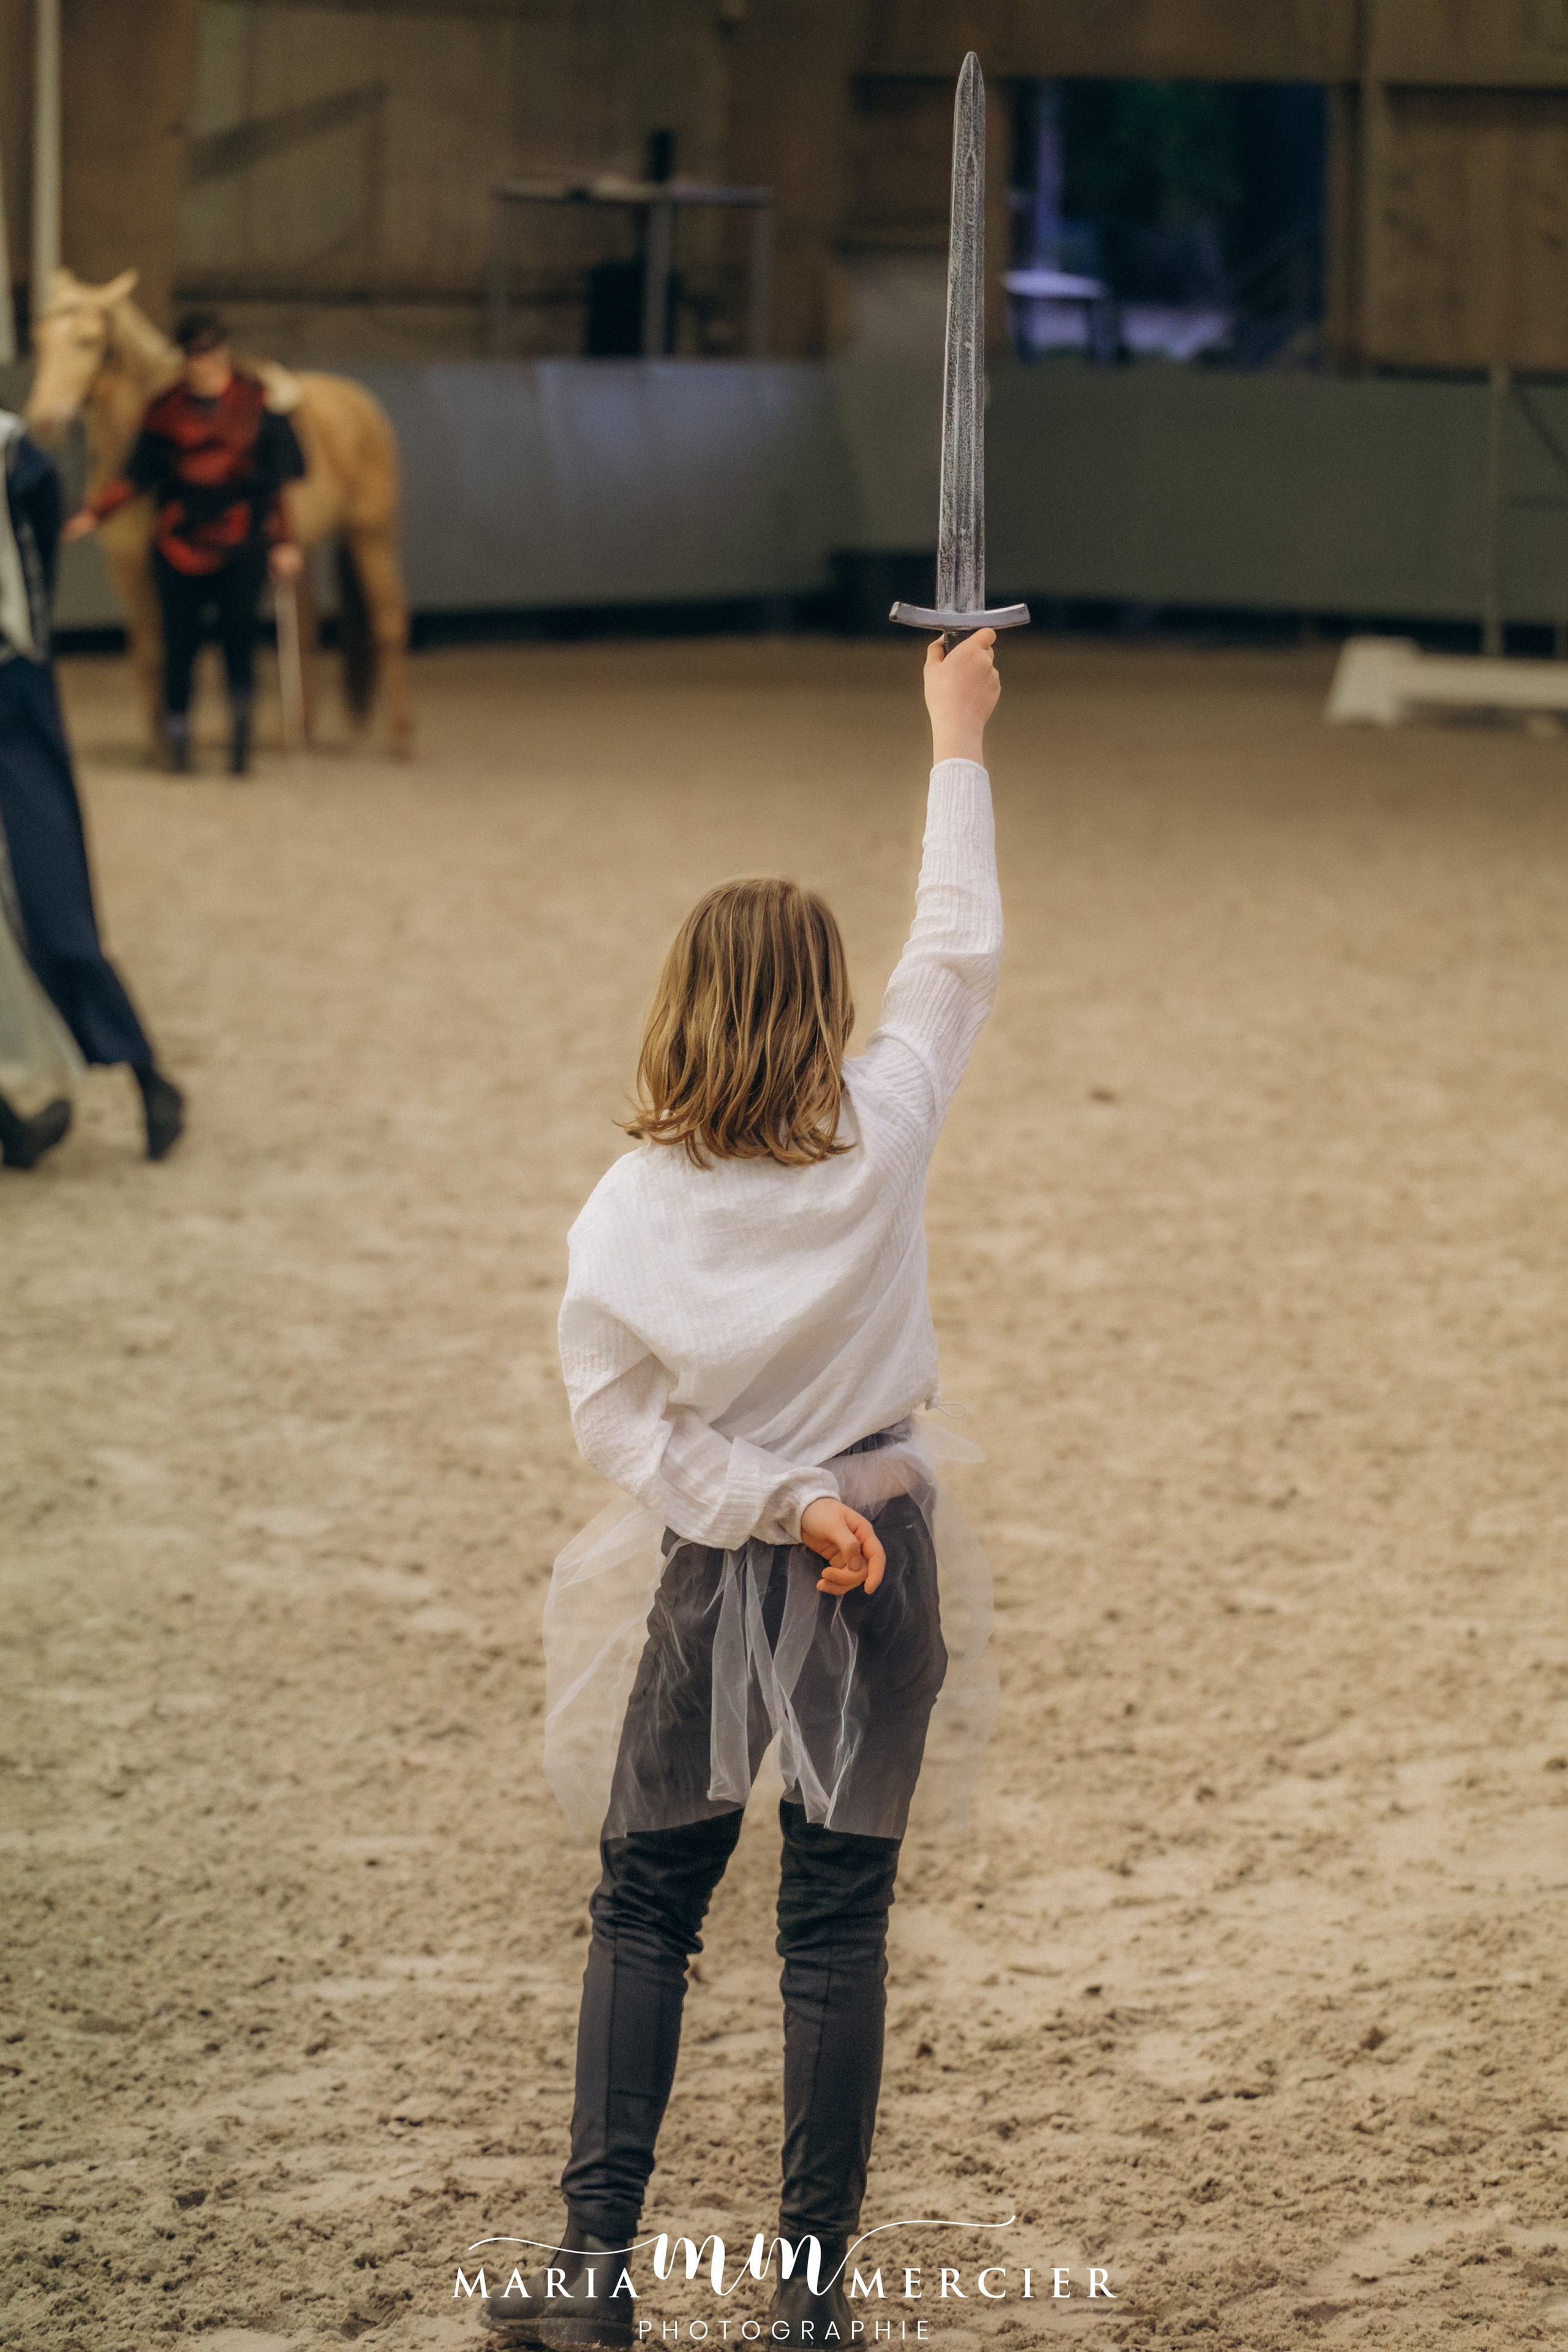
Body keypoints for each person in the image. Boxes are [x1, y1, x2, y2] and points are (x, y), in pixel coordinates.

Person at [483, 631, 1004, 2352]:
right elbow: (957, 947)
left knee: (647, 1900)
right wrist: (953, 733)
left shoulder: (632, 1204)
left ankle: (591, 2277)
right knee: (835, 1924)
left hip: (721, 1567)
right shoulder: (884, 1121)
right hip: (883, 1551)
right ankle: (810, 2307)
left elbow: (615, 1415)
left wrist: (768, 1504)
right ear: (827, 1004)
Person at [0, 409, 184, 1162]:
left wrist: (26, 651)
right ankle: (10, 1124)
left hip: (10, 692)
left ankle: (146, 1073)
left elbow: (36, 565)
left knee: (51, 900)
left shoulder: (14, 457)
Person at [62, 309, 305, 776]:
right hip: (179, 541)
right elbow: (138, 474)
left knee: (239, 638)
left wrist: (283, 542)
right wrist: (93, 513)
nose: (201, 364)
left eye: (208, 353)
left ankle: (240, 739)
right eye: (193, 355)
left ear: (222, 353)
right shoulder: (166, 411)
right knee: (179, 643)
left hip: (240, 540)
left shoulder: (256, 405)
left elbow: (273, 485)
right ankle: (178, 737)